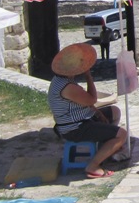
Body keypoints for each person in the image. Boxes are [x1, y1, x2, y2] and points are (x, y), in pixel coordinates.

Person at [48, 42, 127, 178]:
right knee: (122, 134)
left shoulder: (62, 80)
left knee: (114, 112)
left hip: (83, 119)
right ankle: (93, 165)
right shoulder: (67, 87)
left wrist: (97, 112)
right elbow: (91, 99)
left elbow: (84, 102)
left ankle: (106, 147)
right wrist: (88, 76)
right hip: (75, 128)